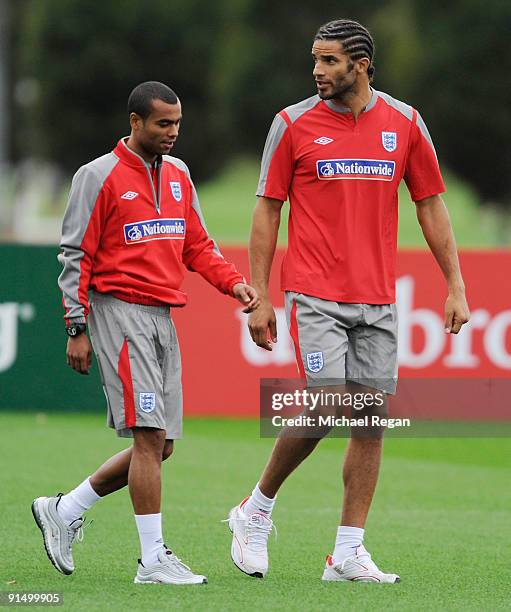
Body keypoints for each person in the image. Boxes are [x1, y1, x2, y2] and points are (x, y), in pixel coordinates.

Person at [227, 19, 469, 583]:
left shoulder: (405, 123)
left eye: (330, 61)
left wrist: (455, 284)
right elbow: (267, 209)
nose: (317, 70)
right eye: (315, 59)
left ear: (361, 66)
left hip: (378, 298)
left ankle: (347, 552)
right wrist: (260, 295)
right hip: (314, 292)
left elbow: (430, 203)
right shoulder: (290, 124)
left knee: (370, 419)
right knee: (327, 400)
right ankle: (255, 509)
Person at [32, 81, 259, 586]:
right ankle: (152, 560)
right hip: (119, 313)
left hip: (161, 316)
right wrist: (76, 325)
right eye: (163, 124)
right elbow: (75, 254)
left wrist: (234, 284)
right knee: (149, 435)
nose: (173, 133)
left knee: (160, 447)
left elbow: (196, 244)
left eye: (177, 123)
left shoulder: (178, 174)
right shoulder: (99, 175)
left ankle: (64, 509)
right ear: (135, 122)